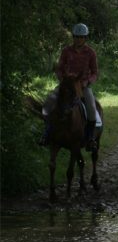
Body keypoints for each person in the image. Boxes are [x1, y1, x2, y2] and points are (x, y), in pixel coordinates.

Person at [38, 23, 99, 151]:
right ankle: (46, 133)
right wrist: (62, 80)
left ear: (85, 38)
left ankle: (90, 139)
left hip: (82, 86)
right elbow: (60, 68)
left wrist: (87, 82)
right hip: (66, 85)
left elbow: (95, 72)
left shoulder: (90, 53)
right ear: (73, 37)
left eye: (81, 37)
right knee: (49, 103)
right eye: (76, 37)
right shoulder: (66, 51)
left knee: (92, 110)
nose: (79, 39)